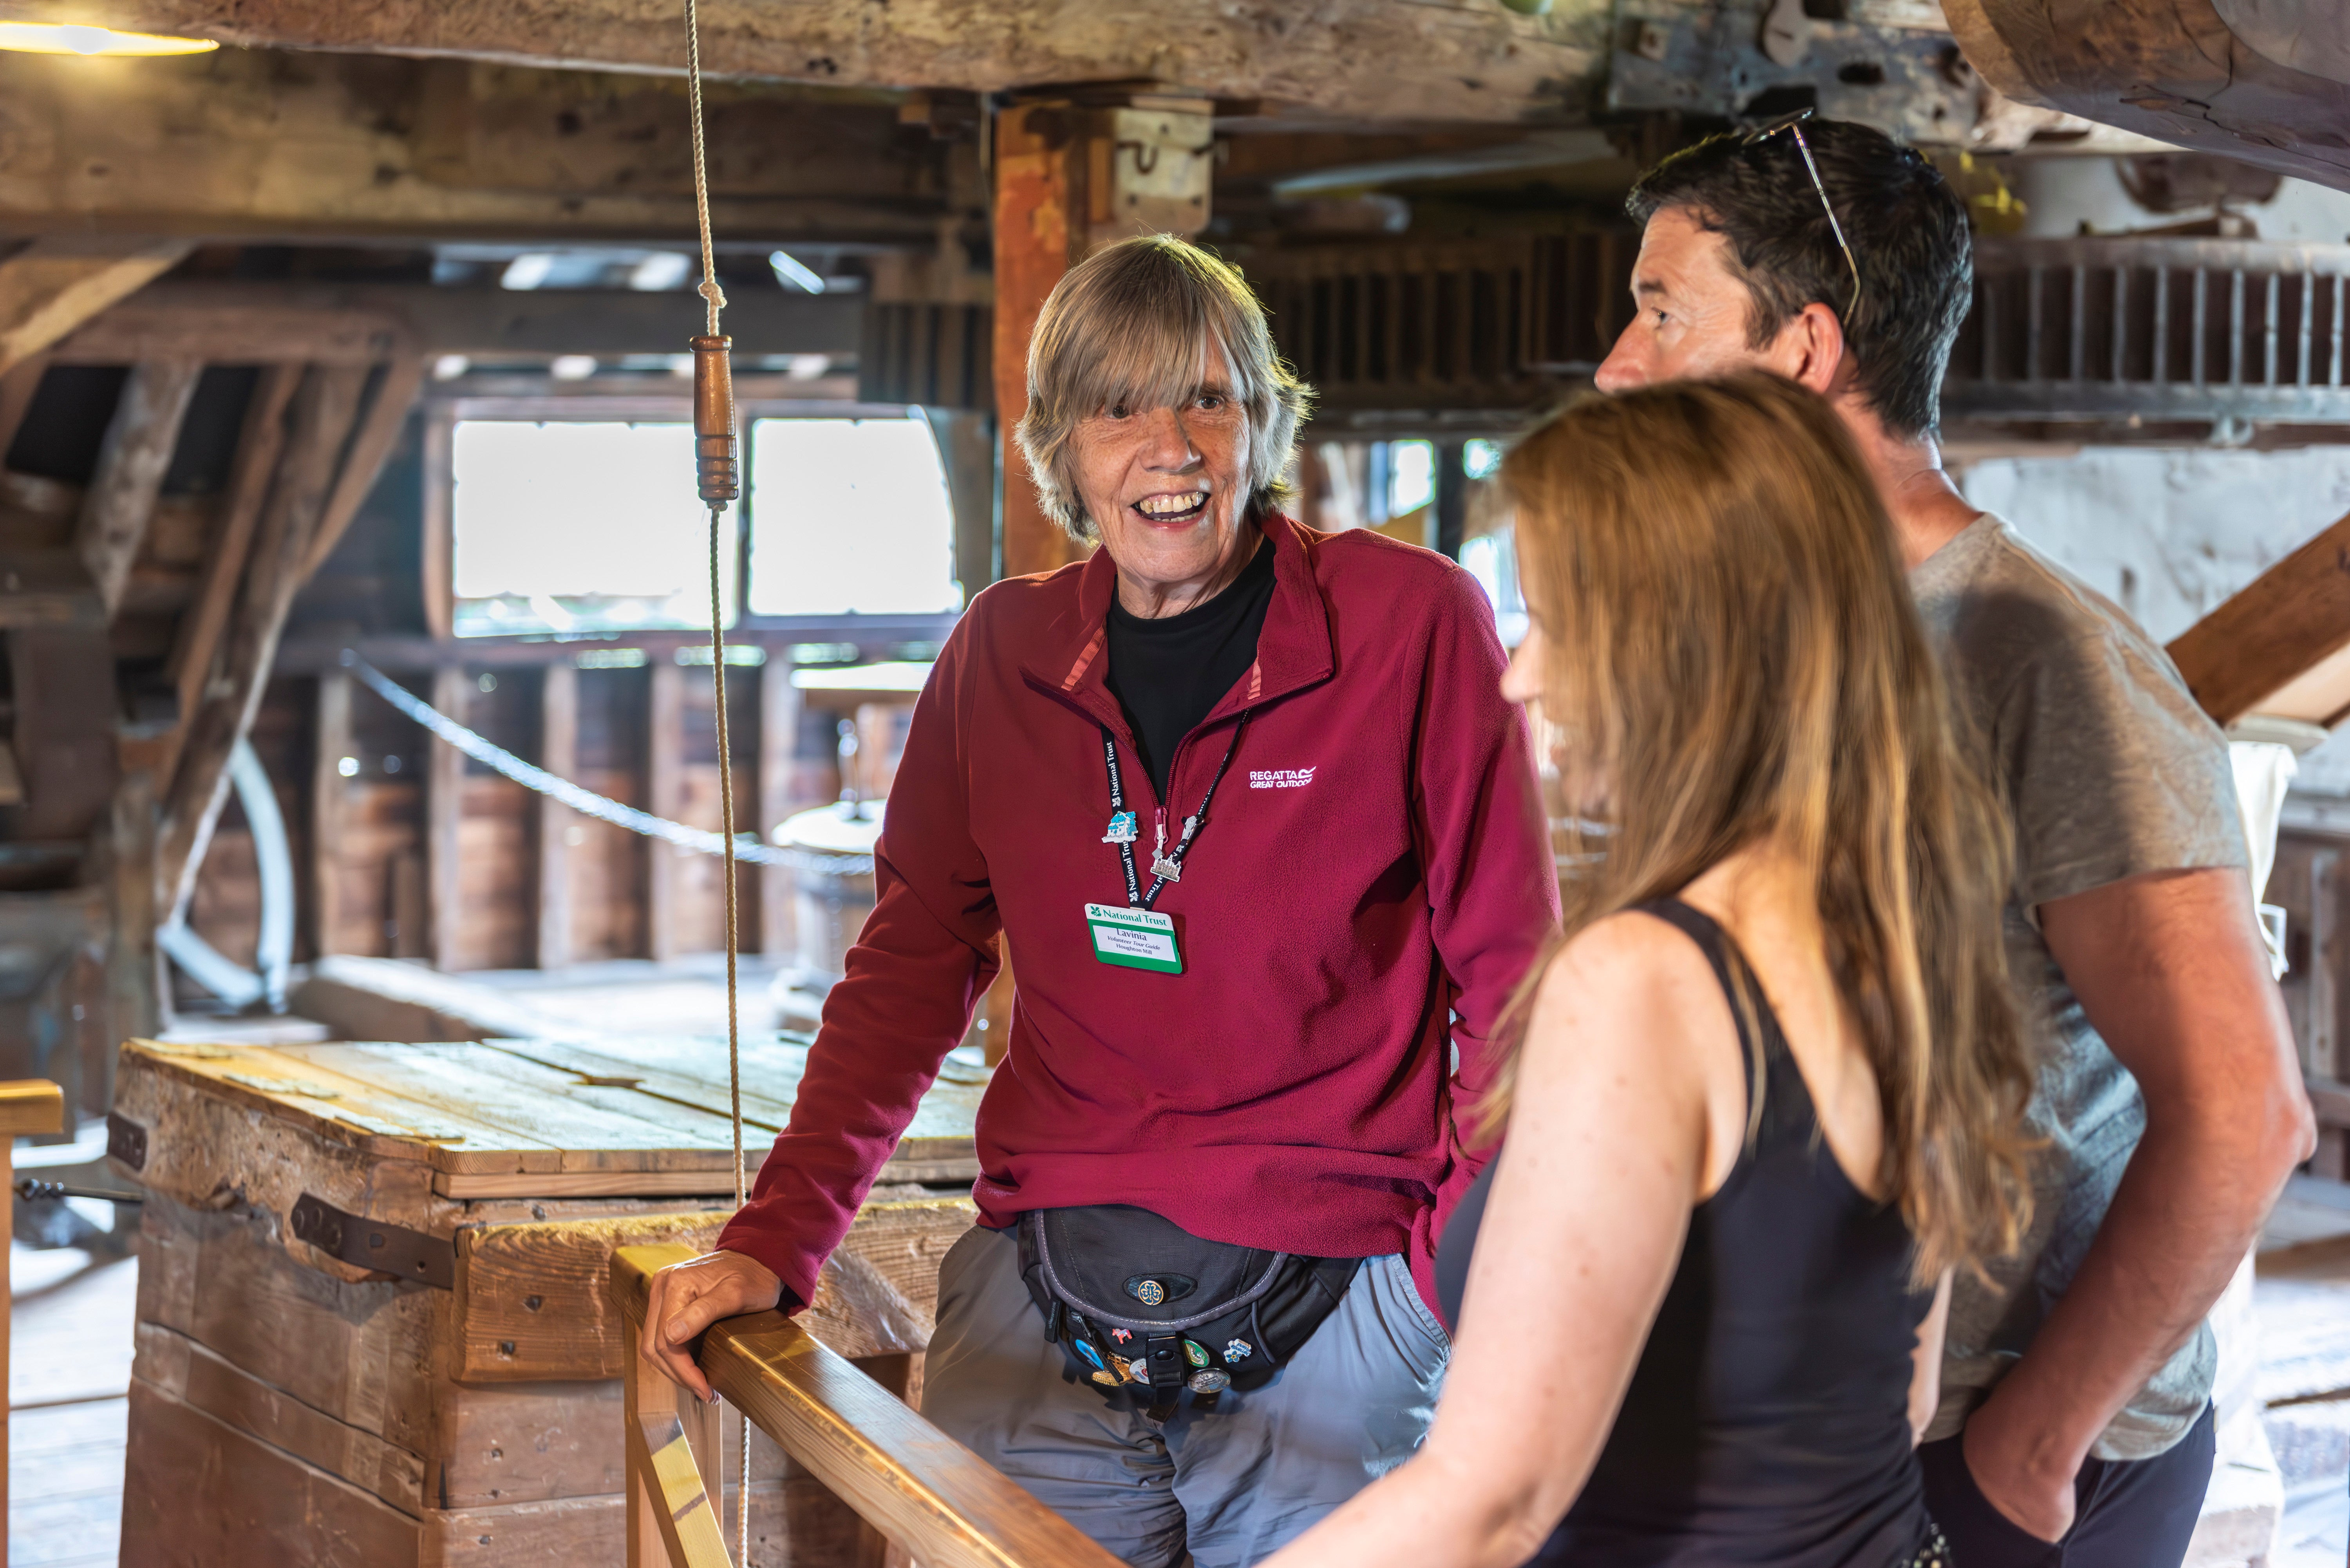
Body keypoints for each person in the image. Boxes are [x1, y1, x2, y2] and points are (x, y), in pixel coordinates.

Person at [635, 233, 1558, 1567]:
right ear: (1062, 448)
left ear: (1264, 423)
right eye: (1118, 406)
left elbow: (1520, 985)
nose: (1169, 446)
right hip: (1042, 1300)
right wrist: (778, 1236)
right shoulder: (1002, 653)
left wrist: (1434, 1291)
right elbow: (907, 967)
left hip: (1341, 1308)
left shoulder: (1410, 622)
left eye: (1209, 399)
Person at [1591, 116, 2317, 1566]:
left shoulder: (2040, 662)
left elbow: (2245, 1118)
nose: (1620, 362)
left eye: (1662, 309)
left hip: (1993, 1465)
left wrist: (2030, 1457)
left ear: (1801, 350)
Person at [1261, 371, 2035, 1568]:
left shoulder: (1644, 981)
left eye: (1559, 621)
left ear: (1686, 646)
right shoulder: (1900, 917)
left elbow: (1490, 1497)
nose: (1521, 674)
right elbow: (1906, 1394)